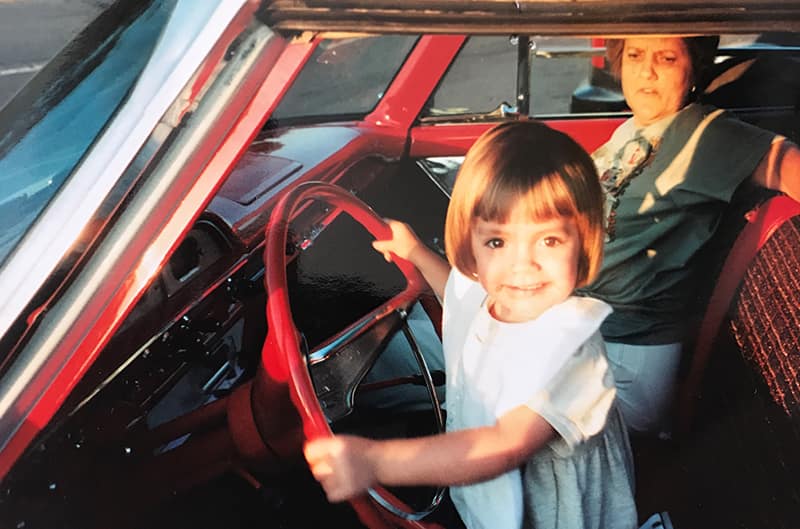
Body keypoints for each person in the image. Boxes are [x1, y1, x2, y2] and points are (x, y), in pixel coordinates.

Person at [304, 121, 637, 529]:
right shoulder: (499, 297)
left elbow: (504, 446)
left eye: (549, 241)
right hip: (493, 492)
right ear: (470, 245)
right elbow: (462, 304)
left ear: (583, 242)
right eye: (498, 242)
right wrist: (416, 253)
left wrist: (376, 461)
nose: (523, 265)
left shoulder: (571, 347)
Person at [580, 36, 800, 435]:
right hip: (588, 336)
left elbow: (789, 166)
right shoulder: (633, 128)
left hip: (627, 362)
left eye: (666, 58)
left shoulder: (707, 133)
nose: (646, 71)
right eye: (635, 55)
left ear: (693, 68)